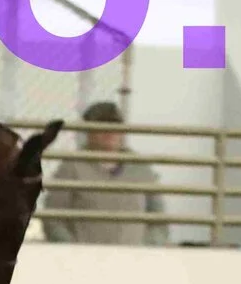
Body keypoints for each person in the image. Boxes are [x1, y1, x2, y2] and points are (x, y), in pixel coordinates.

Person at [38, 100, 171, 246]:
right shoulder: (72, 167)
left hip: (134, 257)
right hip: (85, 257)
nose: (109, 131)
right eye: (101, 125)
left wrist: (145, 248)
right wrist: (74, 250)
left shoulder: (141, 168)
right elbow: (53, 219)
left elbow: (159, 221)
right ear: (88, 131)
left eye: (114, 124)